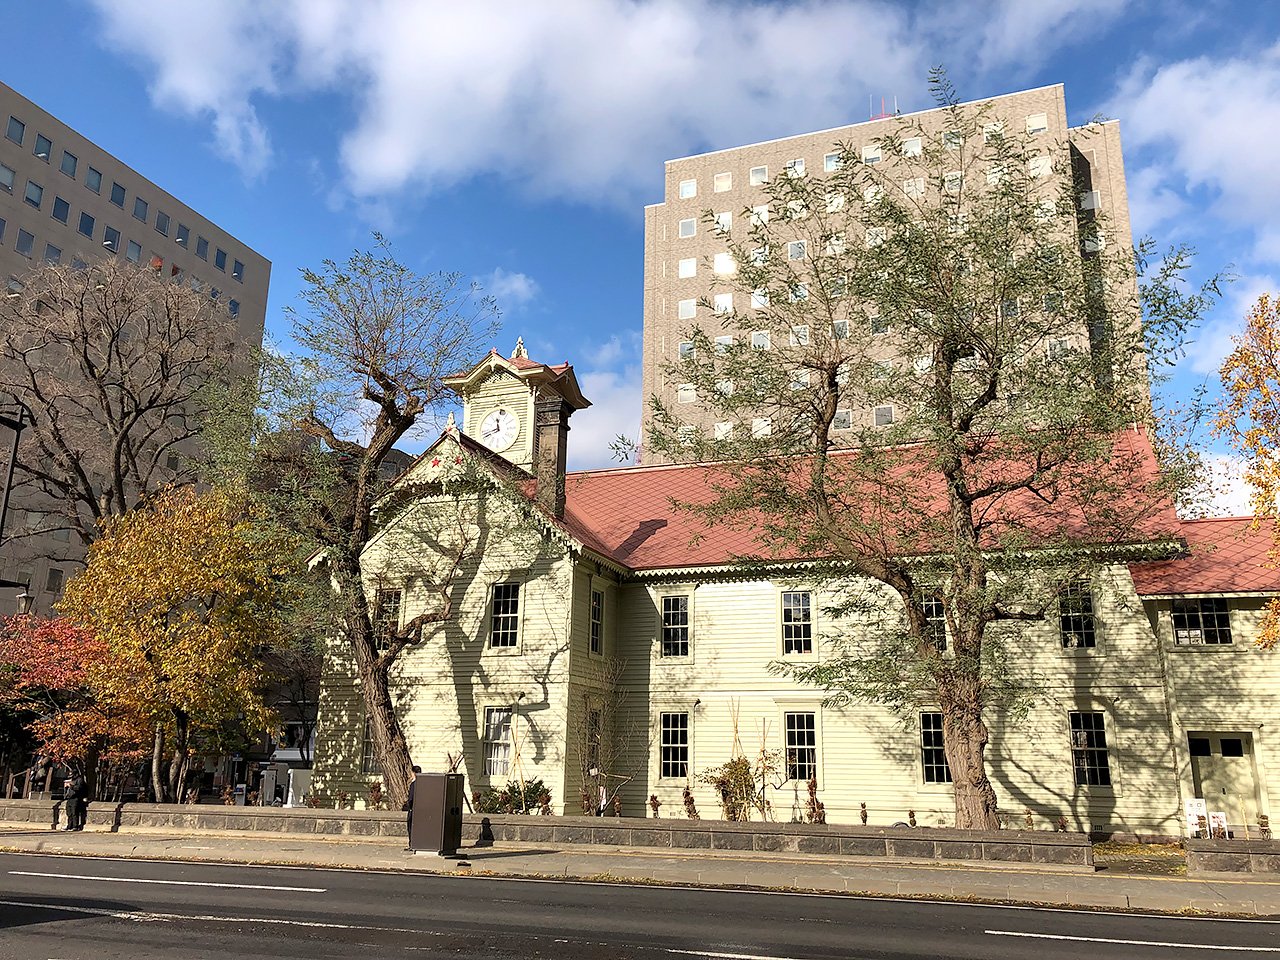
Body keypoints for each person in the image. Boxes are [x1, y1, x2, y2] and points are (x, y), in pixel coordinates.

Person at [403, 765, 422, 843]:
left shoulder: (413, 784)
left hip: (413, 809)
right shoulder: (423, 783)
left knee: (411, 827)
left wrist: (409, 806)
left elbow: (411, 797)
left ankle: (412, 843)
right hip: (421, 809)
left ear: (414, 773)